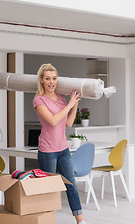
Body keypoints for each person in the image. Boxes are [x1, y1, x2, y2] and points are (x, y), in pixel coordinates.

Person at [33, 63, 85, 224]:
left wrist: (74, 103)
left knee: (71, 185)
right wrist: (69, 105)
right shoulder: (39, 100)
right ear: (41, 80)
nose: (51, 82)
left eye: (54, 78)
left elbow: (68, 123)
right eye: (47, 78)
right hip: (47, 150)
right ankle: (46, 220)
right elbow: (53, 120)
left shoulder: (61, 99)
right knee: (49, 188)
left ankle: (80, 221)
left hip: (63, 149)